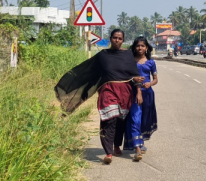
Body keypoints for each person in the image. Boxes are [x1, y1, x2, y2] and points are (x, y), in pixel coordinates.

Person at [54, 28, 143, 165]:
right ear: (110, 39)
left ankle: (116, 146)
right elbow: (89, 71)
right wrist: (75, 85)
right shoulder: (103, 55)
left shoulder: (128, 56)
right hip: (108, 90)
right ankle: (108, 152)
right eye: (115, 38)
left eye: (120, 38)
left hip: (125, 93)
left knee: (120, 121)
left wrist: (138, 91)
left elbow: (135, 76)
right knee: (109, 118)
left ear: (123, 40)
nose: (117, 41)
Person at [124, 37, 158, 161]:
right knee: (135, 118)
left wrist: (150, 84)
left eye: (142, 46)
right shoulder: (131, 61)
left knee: (144, 119)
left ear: (146, 48)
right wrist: (134, 80)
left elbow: (155, 79)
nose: (140, 48)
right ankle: (137, 148)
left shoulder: (151, 62)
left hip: (148, 94)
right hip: (133, 94)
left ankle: (140, 142)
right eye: (138, 46)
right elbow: (126, 77)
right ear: (134, 47)